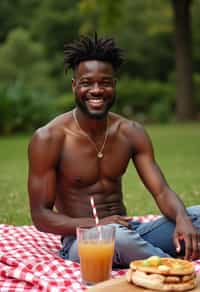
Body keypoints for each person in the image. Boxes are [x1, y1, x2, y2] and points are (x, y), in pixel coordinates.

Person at [28, 34, 200, 268]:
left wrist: (182, 219)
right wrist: (97, 225)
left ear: (114, 85)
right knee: (117, 238)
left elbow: (161, 191)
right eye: (87, 82)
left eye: (105, 82)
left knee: (195, 216)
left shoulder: (130, 132)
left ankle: (149, 257)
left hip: (131, 232)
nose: (97, 90)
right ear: (74, 86)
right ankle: (176, 269)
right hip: (84, 239)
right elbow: (41, 216)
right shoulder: (49, 138)